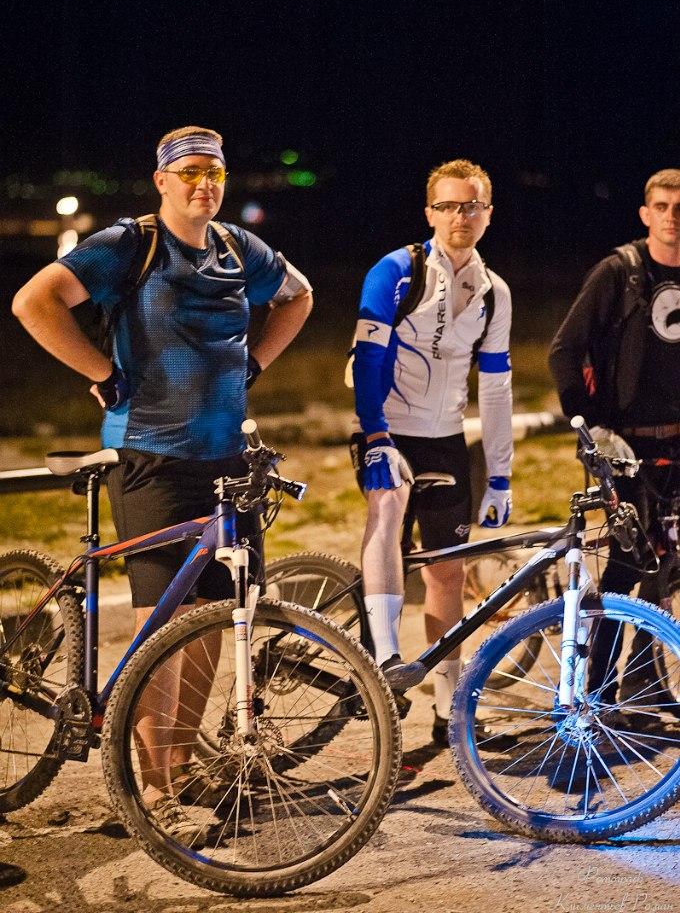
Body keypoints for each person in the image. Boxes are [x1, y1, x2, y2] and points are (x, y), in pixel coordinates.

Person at [12, 125, 313, 838]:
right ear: (162, 180)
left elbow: (297, 297)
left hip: (226, 460)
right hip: (151, 457)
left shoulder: (238, 248)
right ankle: (156, 795)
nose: (204, 184)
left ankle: (177, 770)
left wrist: (254, 365)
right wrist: (101, 372)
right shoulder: (130, 244)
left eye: (215, 172)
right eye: (190, 172)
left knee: (215, 616)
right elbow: (34, 302)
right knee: (166, 629)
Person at [349, 158, 513, 746]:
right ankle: (386, 665)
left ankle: (449, 710)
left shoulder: (494, 292)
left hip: (445, 437)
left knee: (448, 571)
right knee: (389, 508)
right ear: (429, 213)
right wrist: (375, 435)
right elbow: (367, 358)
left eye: (471, 206)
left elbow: (495, 387)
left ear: (487, 214)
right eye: (447, 206)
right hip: (387, 428)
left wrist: (501, 474)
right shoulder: (397, 270)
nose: (459, 216)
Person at [549, 168, 680, 703]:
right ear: (645, 213)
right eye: (662, 207)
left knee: (670, 564)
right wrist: (590, 428)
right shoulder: (619, 271)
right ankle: (596, 695)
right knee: (627, 568)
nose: (672, 217)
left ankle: (647, 682)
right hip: (624, 446)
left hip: (677, 443)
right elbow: (563, 350)